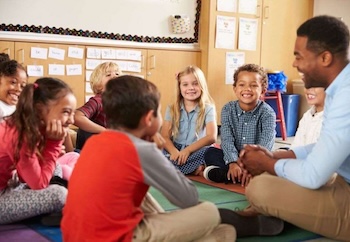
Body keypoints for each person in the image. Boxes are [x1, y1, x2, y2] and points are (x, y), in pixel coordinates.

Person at [219, 15, 350, 240]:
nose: (294, 64)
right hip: (340, 179)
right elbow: (329, 147)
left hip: (342, 188)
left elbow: (313, 176)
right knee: (272, 176)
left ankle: (266, 218)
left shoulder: (346, 96)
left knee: (260, 188)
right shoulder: (339, 89)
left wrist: (268, 162)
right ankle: (269, 218)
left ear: (325, 58)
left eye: (299, 56)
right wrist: (280, 154)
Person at [61, 75, 236, 242]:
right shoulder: (142, 150)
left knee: (224, 232)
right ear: (148, 119)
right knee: (210, 212)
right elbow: (188, 198)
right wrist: (155, 152)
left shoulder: (95, 143)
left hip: (74, 235)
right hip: (118, 236)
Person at [0, 77, 77, 225]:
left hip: (12, 184)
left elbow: (25, 177)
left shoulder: (26, 125)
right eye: (66, 112)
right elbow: (38, 184)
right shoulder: (19, 135)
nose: (72, 120)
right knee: (59, 194)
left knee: (58, 166)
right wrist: (54, 143)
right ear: (40, 109)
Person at [203, 64, 276, 186]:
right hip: (233, 157)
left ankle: (228, 175)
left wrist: (250, 166)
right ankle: (239, 175)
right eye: (242, 85)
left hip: (257, 160)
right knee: (210, 153)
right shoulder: (228, 109)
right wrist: (233, 163)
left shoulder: (268, 113)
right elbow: (226, 139)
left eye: (253, 85)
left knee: (277, 159)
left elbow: (265, 146)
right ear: (235, 89)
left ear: (263, 90)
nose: (247, 89)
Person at [161, 65, 217, 176]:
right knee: (154, 149)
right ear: (179, 87)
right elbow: (164, 136)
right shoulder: (172, 108)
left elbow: (211, 137)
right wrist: (173, 152)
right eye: (185, 84)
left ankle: (178, 168)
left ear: (202, 86)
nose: (190, 88)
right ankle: (192, 169)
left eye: (195, 83)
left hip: (196, 150)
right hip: (175, 149)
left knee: (209, 152)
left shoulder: (208, 108)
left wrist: (187, 151)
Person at [74, 61, 122, 150]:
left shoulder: (122, 103)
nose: (114, 76)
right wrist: (104, 131)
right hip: (93, 150)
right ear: (98, 82)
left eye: (117, 74)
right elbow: (76, 117)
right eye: (108, 75)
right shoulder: (98, 100)